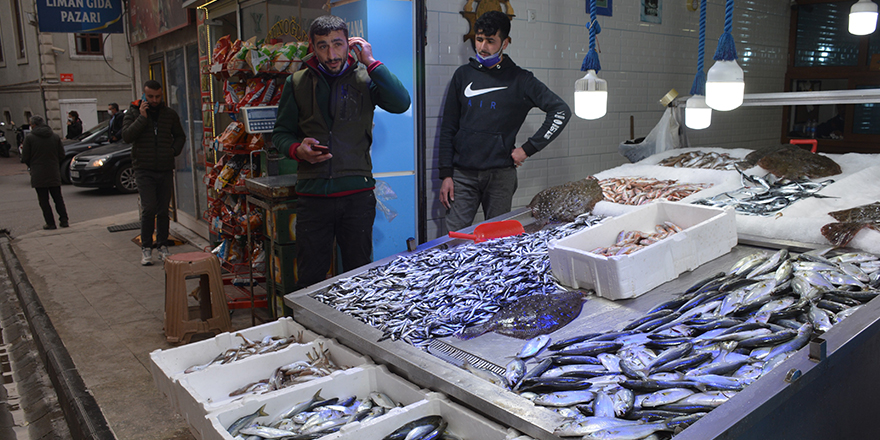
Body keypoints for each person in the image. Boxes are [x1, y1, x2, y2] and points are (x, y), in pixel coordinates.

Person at [273, 15, 411, 289]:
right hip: (313, 197)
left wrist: (371, 62)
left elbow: (401, 102)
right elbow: (280, 135)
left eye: (338, 44)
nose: (332, 54)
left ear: (349, 44)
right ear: (313, 46)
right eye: (323, 46)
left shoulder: (365, 78)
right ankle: (311, 331)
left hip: (357, 197)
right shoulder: (297, 83)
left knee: (358, 276)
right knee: (311, 277)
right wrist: (298, 150)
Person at [438, 11, 571, 233]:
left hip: (501, 176)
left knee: (497, 240)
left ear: (505, 43)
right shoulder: (462, 75)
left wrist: (528, 149)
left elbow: (561, 111)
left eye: (490, 41)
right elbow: (448, 127)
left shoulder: (521, 79)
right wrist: (446, 175)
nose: (482, 47)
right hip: (462, 176)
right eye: (479, 40)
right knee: (454, 239)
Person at [122, 80, 186, 266]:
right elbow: (126, 136)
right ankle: (146, 248)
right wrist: (142, 118)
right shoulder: (133, 112)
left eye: (158, 96)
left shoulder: (169, 114)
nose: (154, 100)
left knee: (163, 210)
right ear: (144, 95)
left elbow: (180, 135)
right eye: (150, 96)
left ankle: (163, 245)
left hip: (165, 167)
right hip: (143, 168)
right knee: (149, 208)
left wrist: (173, 151)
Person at [20, 115, 69, 230]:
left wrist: (31, 165)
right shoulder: (54, 136)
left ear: (34, 125)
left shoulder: (30, 138)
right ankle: (64, 220)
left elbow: (25, 157)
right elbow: (61, 155)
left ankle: (50, 223)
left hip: (38, 173)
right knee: (58, 198)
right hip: (53, 171)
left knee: (44, 200)